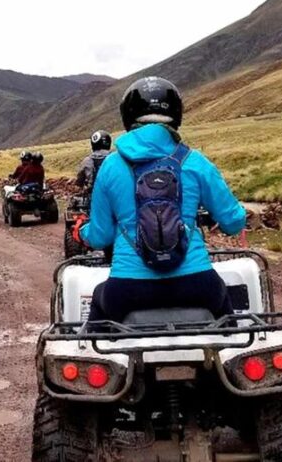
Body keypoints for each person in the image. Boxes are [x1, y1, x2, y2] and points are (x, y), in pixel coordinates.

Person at [75, 76, 246, 322]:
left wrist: (82, 232)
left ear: (128, 115)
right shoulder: (195, 161)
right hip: (196, 284)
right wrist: (238, 212)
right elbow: (233, 223)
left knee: (96, 331)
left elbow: (100, 237)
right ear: (176, 113)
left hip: (128, 288)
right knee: (230, 333)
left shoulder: (111, 166)